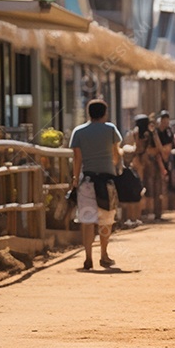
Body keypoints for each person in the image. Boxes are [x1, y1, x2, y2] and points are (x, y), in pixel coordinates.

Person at [70, 99, 122, 270]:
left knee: (87, 220)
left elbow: (77, 158)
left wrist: (75, 179)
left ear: (89, 113)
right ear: (104, 113)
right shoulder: (110, 129)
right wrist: (113, 163)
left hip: (87, 181)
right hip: (106, 181)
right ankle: (104, 255)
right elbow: (116, 155)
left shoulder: (78, 132)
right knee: (106, 220)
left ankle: (88, 257)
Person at [133, 115, 167, 220]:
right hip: (150, 163)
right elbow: (159, 148)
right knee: (153, 188)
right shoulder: (148, 134)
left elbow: (137, 148)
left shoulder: (139, 134)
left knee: (148, 188)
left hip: (144, 163)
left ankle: (148, 212)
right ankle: (154, 212)